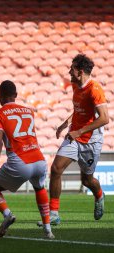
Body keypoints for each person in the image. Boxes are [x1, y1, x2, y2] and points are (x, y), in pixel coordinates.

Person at [0, 80, 54, 239]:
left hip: (20, 162)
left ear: (0, 97)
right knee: (40, 189)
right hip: (39, 160)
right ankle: (48, 230)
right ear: (16, 95)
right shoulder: (29, 111)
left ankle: (8, 214)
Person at [47, 54, 109, 225]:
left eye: (71, 69)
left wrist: (80, 131)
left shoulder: (95, 89)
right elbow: (78, 110)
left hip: (90, 141)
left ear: (80, 71)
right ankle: (53, 214)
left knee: (86, 180)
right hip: (74, 136)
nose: (69, 72)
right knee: (56, 168)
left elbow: (104, 118)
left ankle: (99, 195)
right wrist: (64, 124)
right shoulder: (75, 85)